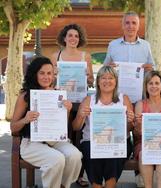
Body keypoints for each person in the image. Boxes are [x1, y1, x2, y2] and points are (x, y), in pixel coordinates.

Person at [10, 57, 82, 188]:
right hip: (32, 143)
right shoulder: (25, 96)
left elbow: (62, 126)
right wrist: (25, 119)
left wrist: (67, 110)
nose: (46, 77)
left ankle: (62, 186)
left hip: (55, 140)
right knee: (56, 159)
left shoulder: (57, 94)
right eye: (42, 73)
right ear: (35, 74)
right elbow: (13, 128)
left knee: (75, 156)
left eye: (49, 73)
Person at [104, 11, 155, 187]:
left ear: (138, 25)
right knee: (120, 133)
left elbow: (152, 70)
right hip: (118, 100)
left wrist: (149, 68)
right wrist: (109, 67)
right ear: (122, 25)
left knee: (139, 134)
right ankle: (112, 175)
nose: (131, 26)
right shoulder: (113, 45)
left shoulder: (146, 46)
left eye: (134, 23)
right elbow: (105, 70)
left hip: (139, 97)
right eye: (127, 23)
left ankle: (139, 174)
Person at [72, 66, 135, 188]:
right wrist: (80, 115)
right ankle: (97, 186)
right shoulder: (89, 100)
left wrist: (130, 121)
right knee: (91, 152)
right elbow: (75, 127)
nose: (107, 81)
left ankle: (110, 185)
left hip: (118, 141)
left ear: (116, 81)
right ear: (98, 82)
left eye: (110, 78)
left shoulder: (123, 99)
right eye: (103, 78)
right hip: (92, 141)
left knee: (115, 153)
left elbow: (130, 129)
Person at [51, 23, 94, 187]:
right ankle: (62, 173)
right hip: (61, 102)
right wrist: (55, 75)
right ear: (64, 38)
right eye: (70, 35)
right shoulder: (56, 55)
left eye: (76, 36)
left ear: (79, 38)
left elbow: (90, 82)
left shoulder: (86, 56)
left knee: (79, 138)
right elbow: (50, 81)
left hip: (80, 101)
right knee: (63, 137)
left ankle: (79, 175)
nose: (73, 38)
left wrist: (88, 77)